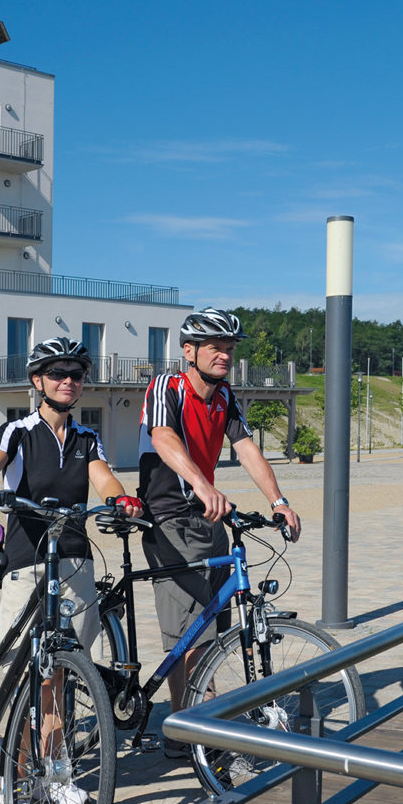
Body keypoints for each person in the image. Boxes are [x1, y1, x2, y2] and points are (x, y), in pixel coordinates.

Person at [0, 337, 142, 804]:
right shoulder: (18, 431)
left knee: (61, 673)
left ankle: (58, 770)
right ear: (38, 381)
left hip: (74, 562)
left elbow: (103, 477)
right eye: (58, 373)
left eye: (76, 374)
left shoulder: (88, 437)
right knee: (28, 676)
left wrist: (120, 499)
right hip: (28, 562)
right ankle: (19, 782)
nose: (69, 381)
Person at [136, 308, 301, 756]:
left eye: (230, 348)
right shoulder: (165, 388)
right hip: (170, 518)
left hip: (210, 519)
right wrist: (202, 483)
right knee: (188, 630)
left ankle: (203, 721)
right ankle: (183, 730)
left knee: (215, 624)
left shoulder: (224, 397)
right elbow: (163, 437)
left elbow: (246, 448)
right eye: (215, 347)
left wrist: (278, 500)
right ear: (189, 351)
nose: (225, 355)